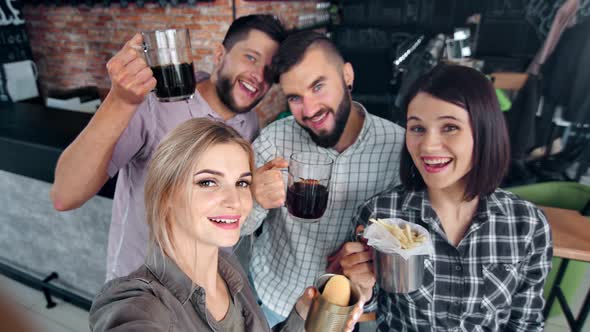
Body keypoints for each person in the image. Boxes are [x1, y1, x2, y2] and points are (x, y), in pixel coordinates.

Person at [50, 15, 286, 280]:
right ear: (220, 54)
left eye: (270, 69)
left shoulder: (249, 121)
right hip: (144, 288)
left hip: (208, 284)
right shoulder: (155, 104)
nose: (259, 76)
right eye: (251, 58)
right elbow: (66, 195)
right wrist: (119, 100)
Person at [89, 118, 364, 332]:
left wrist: (303, 317)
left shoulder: (228, 269)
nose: (235, 200)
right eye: (208, 182)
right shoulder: (139, 303)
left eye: (242, 183)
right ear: (166, 195)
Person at [338, 64, 553, 331]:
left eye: (449, 127)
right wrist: (360, 288)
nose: (428, 145)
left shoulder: (527, 224)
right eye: (417, 128)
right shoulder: (380, 215)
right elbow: (366, 311)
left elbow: (526, 323)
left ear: (484, 131)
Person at [241, 31, 405, 326]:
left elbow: (411, 246)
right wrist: (252, 199)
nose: (310, 109)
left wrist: (376, 262)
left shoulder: (399, 148)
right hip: (275, 298)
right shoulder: (274, 139)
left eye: (318, 86)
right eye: (295, 98)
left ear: (347, 75)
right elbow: (238, 227)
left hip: (354, 313)